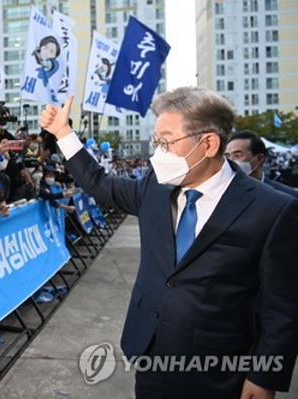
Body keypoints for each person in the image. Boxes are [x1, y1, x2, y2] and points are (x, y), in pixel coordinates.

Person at [40, 87, 298, 398]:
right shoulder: (154, 188)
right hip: (152, 355)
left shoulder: (271, 209)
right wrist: (63, 134)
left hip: (221, 371)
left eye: (166, 142)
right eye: (156, 142)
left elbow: (282, 306)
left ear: (208, 144)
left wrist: (264, 376)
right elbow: (98, 183)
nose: (157, 153)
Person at [225, 130, 298, 197]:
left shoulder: (287, 196)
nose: (230, 161)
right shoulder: (222, 193)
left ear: (259, 158)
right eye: (227, 156)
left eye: (237, 155)